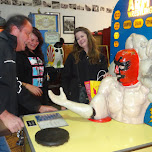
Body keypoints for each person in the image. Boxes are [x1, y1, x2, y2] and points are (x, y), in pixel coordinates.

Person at [0, 15, 57, 151]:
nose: (28, 39)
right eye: (27, 33)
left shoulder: (10, 50)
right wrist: (3, 114)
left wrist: (38, 107)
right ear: (15, 30)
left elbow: (14, 84)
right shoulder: (2, 47)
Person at [48, 49, 150, 125]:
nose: (116, 71)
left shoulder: (145, 89)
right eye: (116, 66)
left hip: (135, 138)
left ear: (133, 66)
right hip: (111, 134)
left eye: (121, 67)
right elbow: (92, 112)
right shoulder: (109, 84)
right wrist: (65, 102)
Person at [61, 27, 109, 104]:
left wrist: (106, 75)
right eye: (77, 38)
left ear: (88, 36)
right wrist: (65, 98)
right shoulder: (72, 56)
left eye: (82, 36)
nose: (80, 39)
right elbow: (65, 78)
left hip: (95, 95)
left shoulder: (100, 57)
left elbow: (103, 73)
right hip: (76, 96)